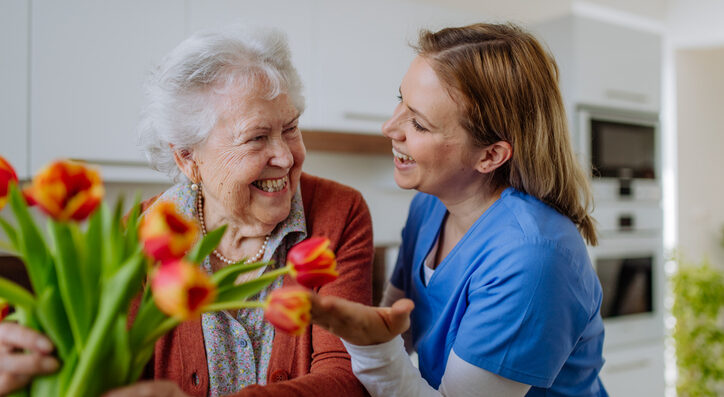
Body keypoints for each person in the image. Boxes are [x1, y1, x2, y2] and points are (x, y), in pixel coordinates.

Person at [0, 27, 373, 397]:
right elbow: (103, 373)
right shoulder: (141, 235)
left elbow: (346, 377)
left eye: (290, 128)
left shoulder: (339, 214)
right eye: (257, 137)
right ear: (188, 158)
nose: (286, 156)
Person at [310, 23, 608, 397]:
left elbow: (386, 351)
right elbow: (395, 330)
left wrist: (373, 347)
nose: (389, 126)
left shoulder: (532, 258)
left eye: (418, 122)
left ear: (489, 156)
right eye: (400, 99)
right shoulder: (429, 205)